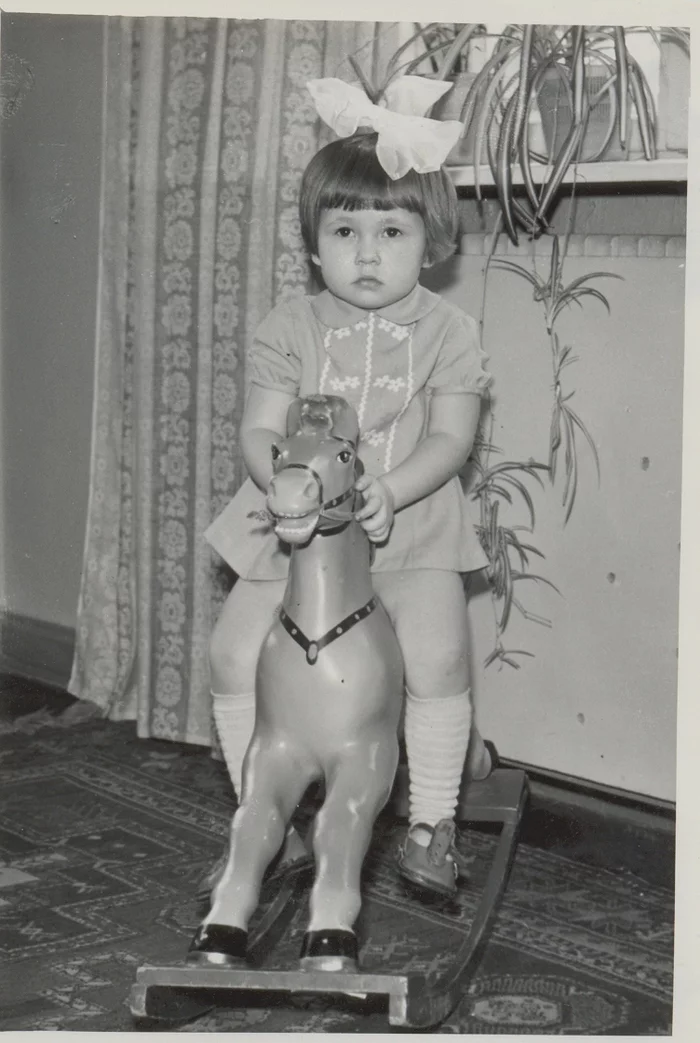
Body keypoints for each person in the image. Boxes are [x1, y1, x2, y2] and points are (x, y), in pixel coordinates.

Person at [195, 78, 497, 947]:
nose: (367, 253)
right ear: (315, 243)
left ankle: (432, 822)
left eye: (391, 232)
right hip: (290, 520)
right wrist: (289, 480)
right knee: (230, 647)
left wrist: (391, 489)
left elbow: (452, 436)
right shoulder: (293, 321)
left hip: (414, 514)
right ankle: (269, 815)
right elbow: (258, 428)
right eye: (344, 232)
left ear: (431, 240)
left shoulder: (449, 332)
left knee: (438, 652)